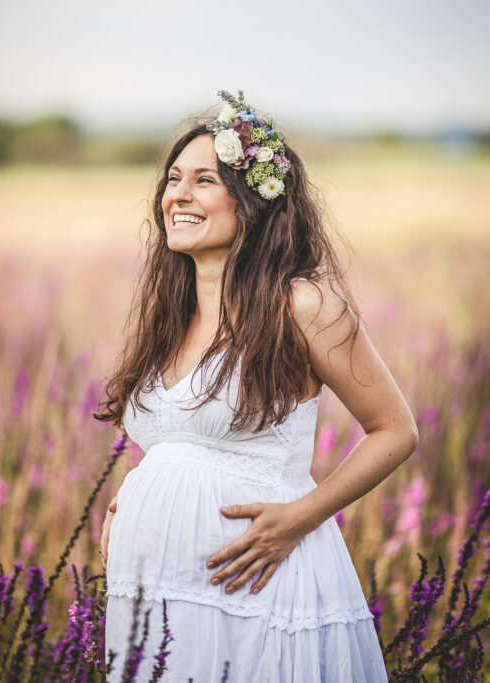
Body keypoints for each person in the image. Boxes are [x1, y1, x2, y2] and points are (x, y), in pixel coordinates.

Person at [92, 90, 417, 682]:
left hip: (260, 587)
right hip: (154, 595)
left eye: (203, 181)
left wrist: (301, 516)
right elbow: (183, 445)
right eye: (172, 179)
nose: (178, 196)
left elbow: (394, 430)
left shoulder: (302, 304)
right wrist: (135, 495)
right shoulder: (170, 314)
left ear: (254, 201)